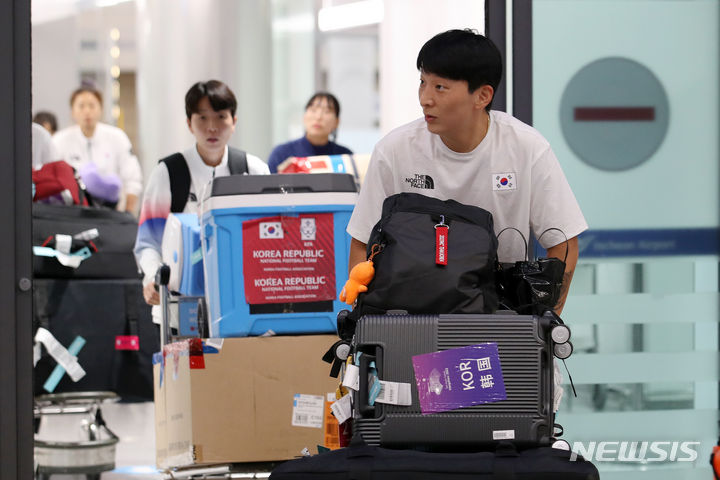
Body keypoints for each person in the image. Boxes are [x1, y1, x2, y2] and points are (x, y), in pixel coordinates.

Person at [346, 29, 588, 316]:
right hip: (412, 315)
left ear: (482, 96)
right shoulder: (394, 150)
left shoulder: (526, 147)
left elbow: (564, 243)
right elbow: (362, 244)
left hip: (498, 312)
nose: (425, 98)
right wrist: (373, 324)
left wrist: (542, 326)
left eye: (440, 88)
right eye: (422, 83)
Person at [134, 79, 269, 312]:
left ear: (234, 121)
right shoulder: (167, 173)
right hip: (179, 304)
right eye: (202, 118)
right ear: (189, 123)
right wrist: (153, 277)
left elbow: (269, 236)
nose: (212, 127)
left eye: (220, 117)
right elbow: (148, 242)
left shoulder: (253, 169)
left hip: (242, 302)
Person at [52, 86, 143, 213]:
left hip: (112, 214)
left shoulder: (117, 137)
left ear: (101, 109)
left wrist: (128, 214)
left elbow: (133, 179)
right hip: (73, 214)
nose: (87, 111)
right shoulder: (59, 141)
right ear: (72, 111)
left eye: (92, 105)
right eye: (81, 106)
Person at [267, 92, 353, 173]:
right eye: (313, 110)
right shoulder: (282, 153)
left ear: (337, 122)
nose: (318, 117)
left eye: (326, 111)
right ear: (304, 116)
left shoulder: (345, 157)